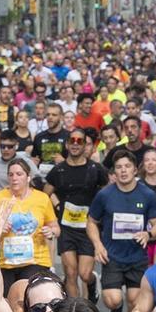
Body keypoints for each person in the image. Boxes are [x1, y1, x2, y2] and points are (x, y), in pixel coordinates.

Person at [87, 148, 156, 312]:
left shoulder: (147, 195)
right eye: (119, 167)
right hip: (113, 256)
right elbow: (91, 222)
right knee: (112, 300)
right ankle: (116, 309)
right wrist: (97, 245)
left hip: (137, 257)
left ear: (135, 170)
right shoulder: (104, 195)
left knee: (135, 302)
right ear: (114, 172)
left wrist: (148, 234)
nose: (123, 170)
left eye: (127, 166)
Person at [0, 158, 60, 294]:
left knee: (25, 297)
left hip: (36, 260)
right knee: (7, 305)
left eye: (19, 174)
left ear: (28, 177)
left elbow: (56, 228)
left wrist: (51, 231)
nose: (14, 178)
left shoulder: (42, 198)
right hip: (5, 262)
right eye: (11, 175)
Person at [45, 128, 107, 300]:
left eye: (79, 141)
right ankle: (75, 311)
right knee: (70, 273)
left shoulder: (95, 169)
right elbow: (45, 195)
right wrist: (56, 208)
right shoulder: (59, 170)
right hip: (66, 228)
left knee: (84, 274)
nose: (75, 144)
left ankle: (93, 281)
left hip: (88, 227)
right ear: (66, 144)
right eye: (71, 140)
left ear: (85, 145)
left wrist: (100, 216)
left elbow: (107, 195)